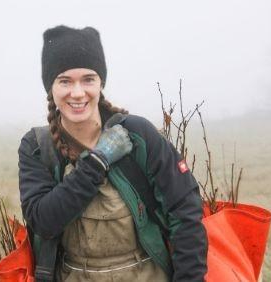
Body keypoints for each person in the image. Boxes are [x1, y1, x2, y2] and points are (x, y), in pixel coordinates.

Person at [18, 25, 207, 282]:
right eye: (65, 81)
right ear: (50, 87)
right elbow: (43, 221)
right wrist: (97, 162)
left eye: (88, 79)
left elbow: (184, 210)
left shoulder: (137, 134)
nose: (77, 92)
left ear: (101, 83)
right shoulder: (38, 146)